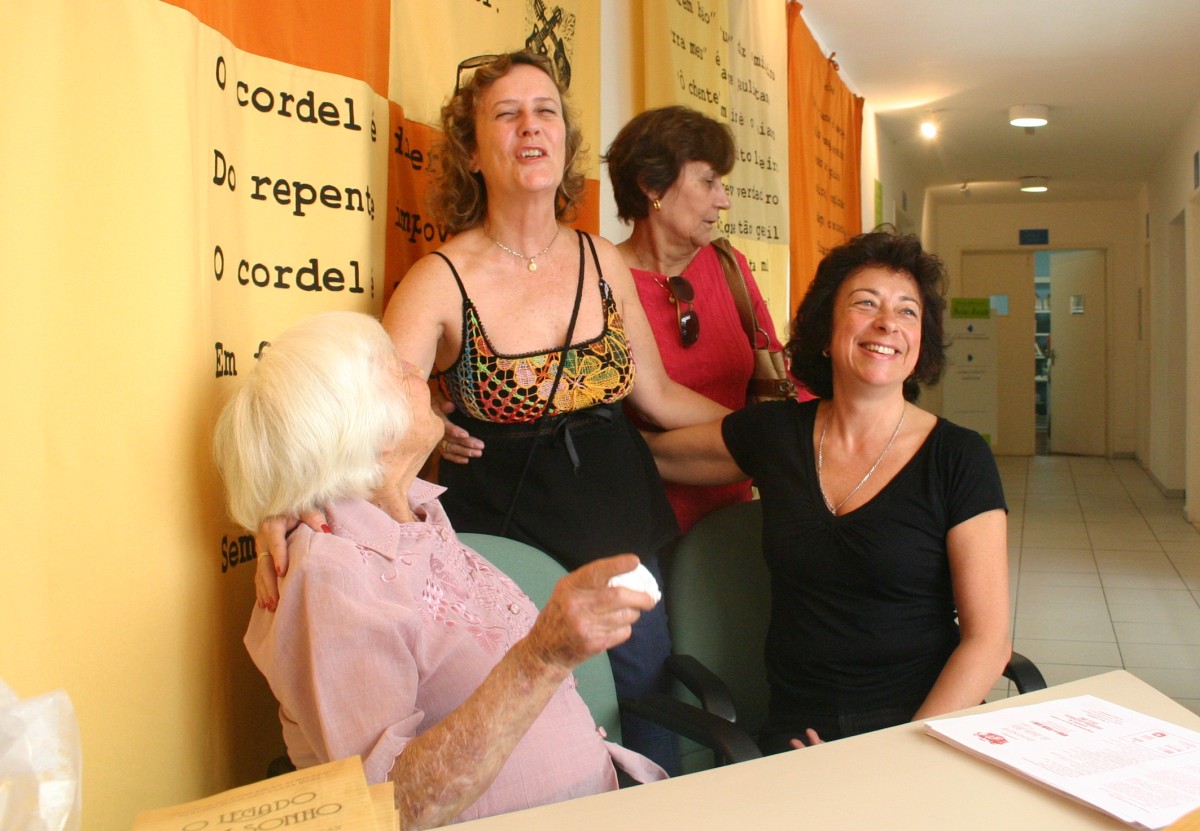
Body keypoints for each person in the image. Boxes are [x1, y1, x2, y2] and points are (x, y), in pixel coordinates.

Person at [258, 52, 729, 774]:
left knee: (643, 696)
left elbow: (658, 396)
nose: (530, 127)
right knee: (528, 717)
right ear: (473, 152)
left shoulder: (603, 260)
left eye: (545, 112)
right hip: (503, 545)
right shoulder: (439, 279)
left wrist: (781, 431)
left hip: (623, 523)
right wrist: (292, 504)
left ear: (565, 140)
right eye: (507, 115)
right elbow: (367, 414)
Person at [214, 311, 666, 831]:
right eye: (396, 368)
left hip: (595, 820)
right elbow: (390, 810)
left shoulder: (418, 517)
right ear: (365, 423)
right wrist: (543, 657)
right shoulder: (329, 575)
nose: (418, 372)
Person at [644, 229, 1012, 752]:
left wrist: (902, 753)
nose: (887, 322)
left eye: (907, 311)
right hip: (800, 735)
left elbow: (988, 641)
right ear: (825, 329)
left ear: (920, 343)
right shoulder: (777, 435)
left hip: (924, 733)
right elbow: (655, 455)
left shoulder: (958, 457)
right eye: (866, 303)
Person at [603, 104, 811, 533]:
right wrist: (768, 436)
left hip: (734, 516)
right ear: (651, 185)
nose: (724, 200)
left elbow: (777, 374)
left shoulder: (729, 266)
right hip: (637, 520)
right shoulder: (601, 279)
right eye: (708, 181)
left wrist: (818, 432)